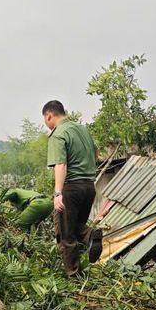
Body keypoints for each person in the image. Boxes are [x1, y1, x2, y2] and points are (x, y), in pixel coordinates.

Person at [43, 100, 101, 276]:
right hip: (89, 187)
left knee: (65, 235)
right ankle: (89, 237)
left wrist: (58, 193)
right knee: (76, 227)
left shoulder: (58, 133)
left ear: (49, 116)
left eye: (45, 120)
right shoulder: (82, 129)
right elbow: (96, 153)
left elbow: (60, 164)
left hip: (71, 189)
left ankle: (73, 275)